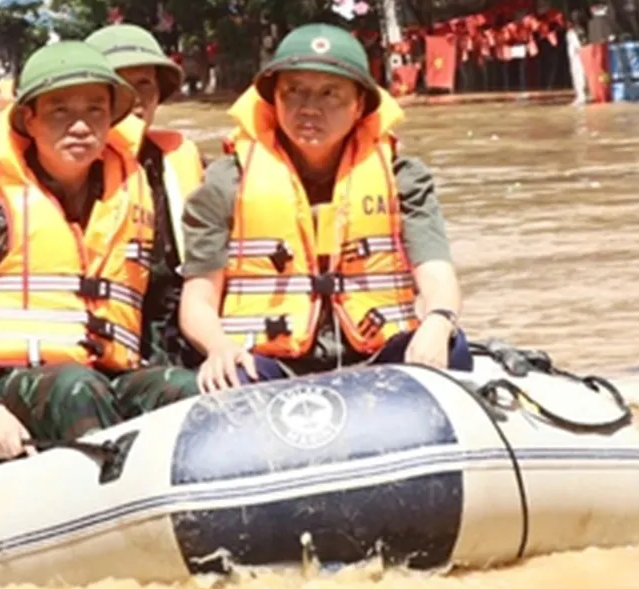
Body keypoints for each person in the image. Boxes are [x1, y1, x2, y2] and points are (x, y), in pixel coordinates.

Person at [0, 41, 196, 466]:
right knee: (76, 387)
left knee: (186, 389)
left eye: (95, 111)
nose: (80, 126)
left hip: (108, 377)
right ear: (29, 119)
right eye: (60, 111)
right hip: (2, 391)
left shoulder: (134, 198)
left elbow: (156, 308)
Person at [177, 23, 472, 392]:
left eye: (330, 94)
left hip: (377, 353)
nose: (309, 109)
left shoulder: (404, 179)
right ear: (275, 101)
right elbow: (197, 300)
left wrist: (438, 322)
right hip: (269, 362)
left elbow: (437, 276)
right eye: (294, 92)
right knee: (227, 378)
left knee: (453, 349)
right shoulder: (224, 182)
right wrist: (219, 347)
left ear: (360, 104)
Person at [87, 23, 206, 368]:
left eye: (145, 85)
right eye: (121, 85)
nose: (136, 100)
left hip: (177, 342)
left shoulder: (186, 162)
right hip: (100, 354)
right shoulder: (65, 174)